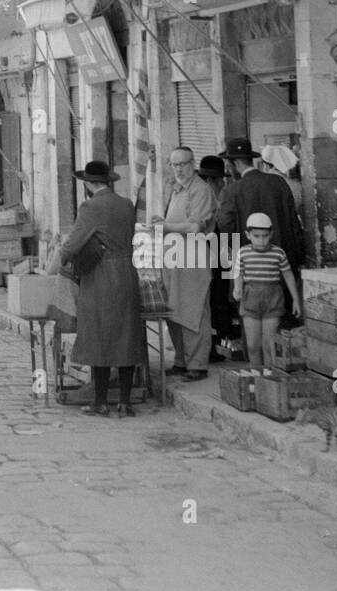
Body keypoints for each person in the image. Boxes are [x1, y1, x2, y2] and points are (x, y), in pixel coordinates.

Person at [60, 160, 143, 418]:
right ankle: (126, 402)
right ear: (109, 180)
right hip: (127, 273)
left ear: (87, 183)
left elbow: (73, 245)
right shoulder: (126, 205)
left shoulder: (90, 207)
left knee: (99, 337)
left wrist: (59, 258)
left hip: (101, 276)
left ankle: (101, 401)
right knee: (126, 335)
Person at [216, 137, 305, 320]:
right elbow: (294, 224)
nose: (227, 170)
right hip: (280, 269)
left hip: (249, 274)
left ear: (235, 164)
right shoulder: (279, 183)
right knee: (282, 326)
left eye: (228, 164)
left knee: (251, 329)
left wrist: (232, 274)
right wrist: (296, 261)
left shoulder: (231, 190)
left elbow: (226, 228)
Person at [159, 146, 218, 381]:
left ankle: (198, 364)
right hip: (174, 258)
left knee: (194, 310)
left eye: (183, 164)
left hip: (193, 258)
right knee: (174, 309)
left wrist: (165, 227)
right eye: (174, 164)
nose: (179, 169)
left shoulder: (200, 190)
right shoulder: (176, 189)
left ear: (193, 164)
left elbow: (195, 227)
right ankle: (181, 361)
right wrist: (161, 222)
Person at [231, 212, 302, 369]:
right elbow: (238, 273)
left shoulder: (278, 253)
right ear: (248, 235)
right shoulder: (243, 253)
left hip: (273, 301)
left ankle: (270, 379)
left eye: (265, 236)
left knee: (268, 345)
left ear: (271, 234)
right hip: (250, 301)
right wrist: (237, 289)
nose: (261, 241)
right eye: (256, 236)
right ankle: (256, 377)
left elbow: (288, 275)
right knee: (252, 345)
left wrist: (296, 300)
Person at [197, 155, 237, 357]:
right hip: (213, 260)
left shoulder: (199, 196)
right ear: (212, 180)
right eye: (221, 179)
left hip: (211, 259)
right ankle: (212, 347)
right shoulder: (208, 199)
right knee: (216, 301)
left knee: (213, 302)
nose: (223, 183)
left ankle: (213, 346)